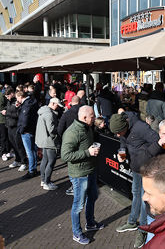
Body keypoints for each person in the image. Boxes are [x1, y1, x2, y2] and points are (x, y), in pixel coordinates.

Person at [109, 113, 159, 248]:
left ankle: (142, 230)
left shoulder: (140, 127)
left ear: (125, 125)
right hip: (135, 168)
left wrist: (145, 155)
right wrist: (122, 154)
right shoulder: (123, 130)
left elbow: (157, 141)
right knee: (136, 193)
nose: (118, 135)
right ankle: (132, 221)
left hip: (147, 169)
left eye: (119, 132)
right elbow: (122, 142)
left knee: (144, 199)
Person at [61, 105, 104, 245]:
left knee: (92, 197)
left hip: (90, 170)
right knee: (78, 205)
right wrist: (88, 153)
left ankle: (90, 223)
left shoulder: (87, 127)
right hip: (80, 175)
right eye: (92, 116)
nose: (94, 119)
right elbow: (65, 155)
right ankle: (77, 233)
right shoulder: (72, 132)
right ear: (84, 117)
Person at [35, 97, 63, 190]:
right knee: (51, 162)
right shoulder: (49, 114)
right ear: (54, 104)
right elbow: (51, 130)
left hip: (43, 140)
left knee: (45, 160)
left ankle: (43, 180)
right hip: (50, 141)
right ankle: (47, 182)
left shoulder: (43, 111)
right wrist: (57, 134)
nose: (58, 108)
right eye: (58, 106)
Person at [16, 91, 39, 179]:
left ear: (21, 97)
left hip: (26, 131)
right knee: (33, 151)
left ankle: (31, 170)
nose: (17, 100)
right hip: (32, 130)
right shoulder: (32, 102)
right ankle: (34, 168)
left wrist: (21, 130)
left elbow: (24, 119)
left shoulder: (26, 105)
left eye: (17, 98)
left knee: (29, 152)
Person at [3, 88, 27, 172]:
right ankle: (17, 160)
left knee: (19, 145)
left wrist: (7, 113)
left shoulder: (17, 102)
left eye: (8, 96)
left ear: (12, 94)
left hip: (16, 126)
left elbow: (18, 114)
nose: (7, 98)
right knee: (13, 144)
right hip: (9, 125)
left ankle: (24, 162)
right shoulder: (9, 102)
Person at [0, 86, 11, 161]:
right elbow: (0, 109)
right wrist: (8, 108)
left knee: (7, 137)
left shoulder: (2, 96)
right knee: (3, 137)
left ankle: (8, 151)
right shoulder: (1, 97)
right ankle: (3, 153)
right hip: (2, 120)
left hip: (5, 119)